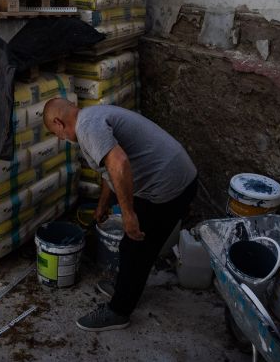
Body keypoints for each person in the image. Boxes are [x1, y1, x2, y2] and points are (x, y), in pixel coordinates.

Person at [42, 98, 198, 332]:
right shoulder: (92, 116)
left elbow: (119, 163)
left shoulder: (87, 128)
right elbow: (110, 170)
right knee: (133, 247)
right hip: (174, 176)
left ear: (58, 122)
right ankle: (125, 287)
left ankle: (119, 311)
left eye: (55, 132)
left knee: (137, 247)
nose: (59, 138)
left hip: (169, 186)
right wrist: (103, 204)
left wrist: (128, 214)